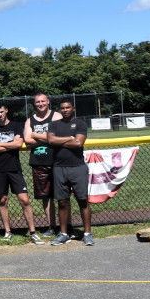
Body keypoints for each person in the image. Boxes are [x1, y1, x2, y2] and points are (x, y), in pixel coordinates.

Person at [0, 103, 44, 244]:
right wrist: (10, 144)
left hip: (15, 168)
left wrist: (2, 145)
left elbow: (18, 145)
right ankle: (7, 231)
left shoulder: (16, 125)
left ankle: (33, 232)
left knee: (24, 200)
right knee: (3, 200)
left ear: (6, 110)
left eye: (1, 111)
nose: (0, 114)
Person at [47, 100, 94, 247]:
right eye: (62, 108)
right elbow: (50, 140)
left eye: (68, 107)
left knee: (82, 200)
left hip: (77, 167)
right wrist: (69, 138)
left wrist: (58, 141)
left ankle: (87, 233)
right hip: (59, 168)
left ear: (73, 108)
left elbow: (78, 143)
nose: (65, 110)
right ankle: (64, 234)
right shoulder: (54, 124)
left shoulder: (80, 124)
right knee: (62, 201)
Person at [24, 93, 62, 234]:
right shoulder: (30, 120)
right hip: (39, 162)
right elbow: (27, 140)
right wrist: (48, 138)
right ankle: (52, 226)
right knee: (46, 197)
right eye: (37, 102)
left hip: (57, 161)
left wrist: (35, 135)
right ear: (35, 104)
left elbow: (58, 137)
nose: (40, 104)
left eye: (43, 101)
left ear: (48, 102)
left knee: (62, 196)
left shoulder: (56, 116)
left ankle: (66, 226)